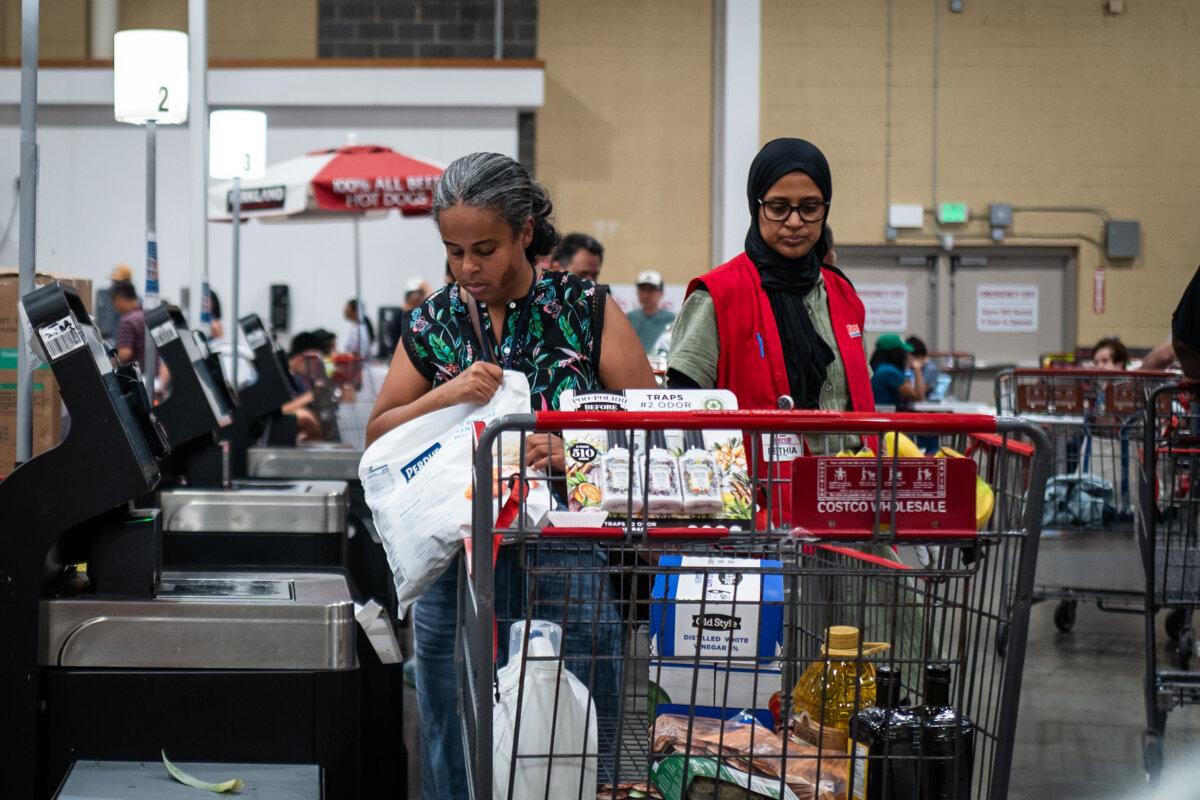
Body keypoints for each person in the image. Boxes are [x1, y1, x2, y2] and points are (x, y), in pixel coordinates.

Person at [365, 152, 655, 799]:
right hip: (455, 569)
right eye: (453, 251)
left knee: (573, 731)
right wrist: (448, 394)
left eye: (485, 249)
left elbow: (652, 429)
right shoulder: (434, 324)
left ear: (525, 231)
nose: (468, 269)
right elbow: (379, 436)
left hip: (564, 560)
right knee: (453, 733)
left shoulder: (585, 310)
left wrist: (571, 449)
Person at [666, 138, 874, 419]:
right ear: (757, 206)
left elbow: (859, 398)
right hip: (757, 463)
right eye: (778, 208)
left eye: (810, 208)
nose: (795, 221)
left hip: (846, 463)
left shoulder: (843, 294)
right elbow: (682, 405)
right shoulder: (717, 295)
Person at [869, 334, 927, 410]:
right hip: (885, 416)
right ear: (897, 353)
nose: (908, 356)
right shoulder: (889, 371)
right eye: (905, 352)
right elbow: (919, 396)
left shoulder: (877, 368)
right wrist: (917, 368)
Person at [626, 269, 676, 354]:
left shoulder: (672, 320)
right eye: (642, 290)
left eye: (651, 290)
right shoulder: (629, 318)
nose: (645, 295)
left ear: (661, 293)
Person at [111, 281, 146, 366]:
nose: (114, 306)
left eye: (114, 301)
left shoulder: (128, 321)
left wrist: (107, 365)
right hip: (153, 375)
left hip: (137, 376)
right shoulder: (146, 315)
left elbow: (124, 353)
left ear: (120, 298)